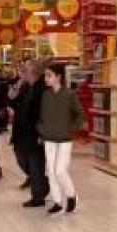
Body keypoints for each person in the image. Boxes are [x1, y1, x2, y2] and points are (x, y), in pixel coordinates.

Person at [39, 62, 85, 215]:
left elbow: (80, 115)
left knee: (60, 170)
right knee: (51, 171)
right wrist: (41, 129)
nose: (46, 78)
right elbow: (42, 116)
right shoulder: (45, 95)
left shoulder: (69, 95)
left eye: (49, 75)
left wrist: (71, 130)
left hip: (65, 139)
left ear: (58, 77)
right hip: (49, 138)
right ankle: (57, 201)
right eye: (45, 75)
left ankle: (71, 196)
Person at [10, 59, 49, 206]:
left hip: (35, 132)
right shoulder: (26, 87)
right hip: (21, 130)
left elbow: (44, 112)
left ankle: (38, 196)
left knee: (35, 163)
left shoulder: (42, 88)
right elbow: (12, 102)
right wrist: (17, 87)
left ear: (32, 72)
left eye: (24, 70)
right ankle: (42, 184)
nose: (22, 72)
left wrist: (42, 132)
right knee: (21, 157)